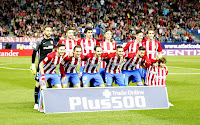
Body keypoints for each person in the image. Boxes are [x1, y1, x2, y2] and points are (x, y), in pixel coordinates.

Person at [30, 25, 55, 110]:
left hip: (50, 66)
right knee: (38, 84)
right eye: (47, 30)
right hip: (41, 66)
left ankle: (48, 101)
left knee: (49, 83)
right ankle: (36, 103)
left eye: (50, 31)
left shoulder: (52, 40)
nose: (49, 32)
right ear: (44, 31)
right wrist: (33, 64)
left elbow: (53, 52)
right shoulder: (39, 41)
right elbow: (34, 52)